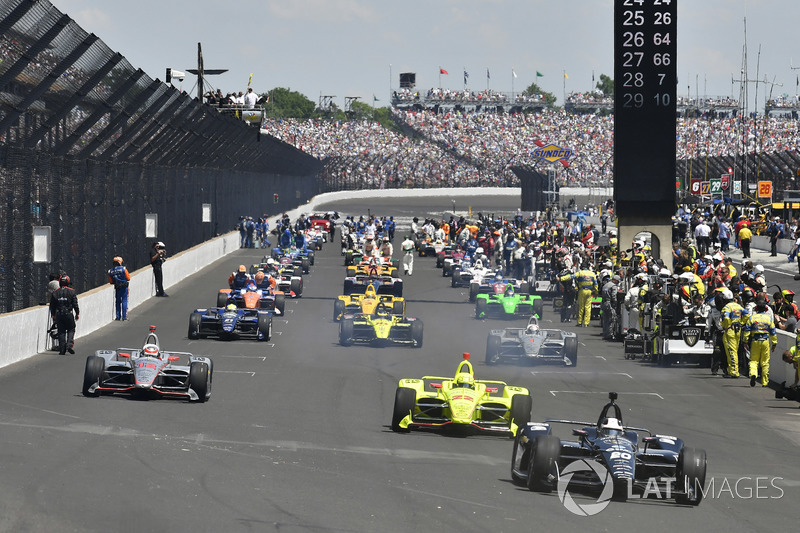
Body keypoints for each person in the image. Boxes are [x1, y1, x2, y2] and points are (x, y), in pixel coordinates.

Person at [744, 293, 777, 387]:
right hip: (765, 341)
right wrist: (774, 343)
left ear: (756, 308)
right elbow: (773, 332)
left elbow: (747, 330)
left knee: (754, 360)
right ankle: (765, 382)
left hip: (755, 341)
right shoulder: (768, 319)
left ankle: (753, 374)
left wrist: (745, 341)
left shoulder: (752, 318)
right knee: (765, 362)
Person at [49, 275, 79, 355]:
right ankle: (69, 345)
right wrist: (77, 313)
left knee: (61, 331)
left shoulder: (55, 292)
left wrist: (53, 315)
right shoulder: (72, 291)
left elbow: (52, 305)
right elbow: (75, 304)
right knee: (71, 329)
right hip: (68, 313)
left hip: (59, 314)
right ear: (68, 282)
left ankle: (62, 350)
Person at [719, 289, 746, 378]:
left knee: (731, 351)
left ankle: (734, 372)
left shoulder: (726, 307)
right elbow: (747, 314)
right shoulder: (738, 306)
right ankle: (734, 370)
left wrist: (727, 326)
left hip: (730, 331)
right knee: (735, 350)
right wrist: (741, 323)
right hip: (738, 330)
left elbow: (726, 318)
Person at [575, 263, 598, 327]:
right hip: (589, 291)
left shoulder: (580, 273)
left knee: (581, 307)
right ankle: (586, 323)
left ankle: (579, 322)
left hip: (582, 290)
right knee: (588, 307)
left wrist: (561, 278)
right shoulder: (592, 274)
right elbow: (596, 285)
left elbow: (572, 277)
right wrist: (596, 293)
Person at [108, 256, 131, 321]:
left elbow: (111, 282)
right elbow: (128, 278)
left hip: (117, 287)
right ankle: (124, 317)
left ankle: (118, 317)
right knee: (124, 301)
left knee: (117, 302)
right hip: (124, 287)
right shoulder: (123, 269)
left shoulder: (110, 271)